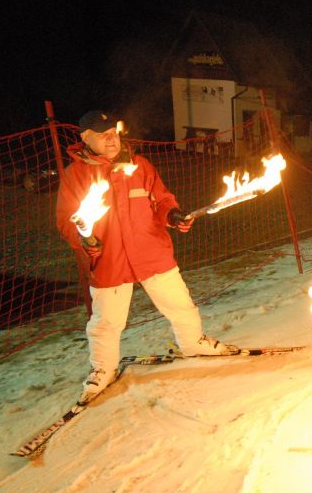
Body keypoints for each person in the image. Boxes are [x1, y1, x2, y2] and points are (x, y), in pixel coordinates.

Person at [56, 110, 236, 405]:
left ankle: (193, 343)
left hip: (151, 251)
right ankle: (103, 369)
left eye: (113, 133)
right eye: (102, 135)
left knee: (181, 306)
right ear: (85, 138)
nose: (111, 139)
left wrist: (173, 215)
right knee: (105, 322)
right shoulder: (76, 175)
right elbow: (66, 220)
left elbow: (161, 200)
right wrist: (84, 241)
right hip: (109, 259)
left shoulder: (139, 165)